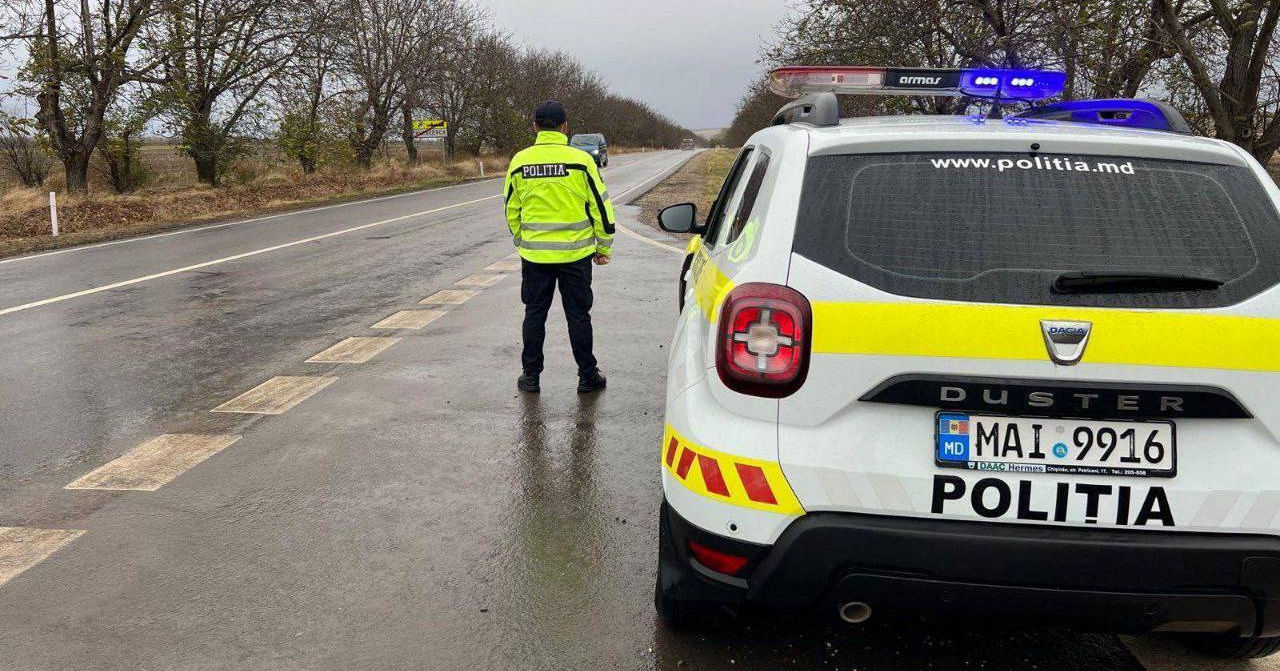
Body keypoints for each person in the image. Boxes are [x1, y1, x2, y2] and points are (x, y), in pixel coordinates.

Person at [504, 100, 614, 394]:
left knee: (534, 313)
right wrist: (603, 246)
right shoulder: (581, 160)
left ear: (535, 127)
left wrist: (522, 241)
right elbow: (601, 207)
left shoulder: (520, 162)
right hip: (575, 255)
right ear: (565, 127)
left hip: (535, 256)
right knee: (578, 315)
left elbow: (511, 210)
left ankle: (530, 377)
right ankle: (587, 376)